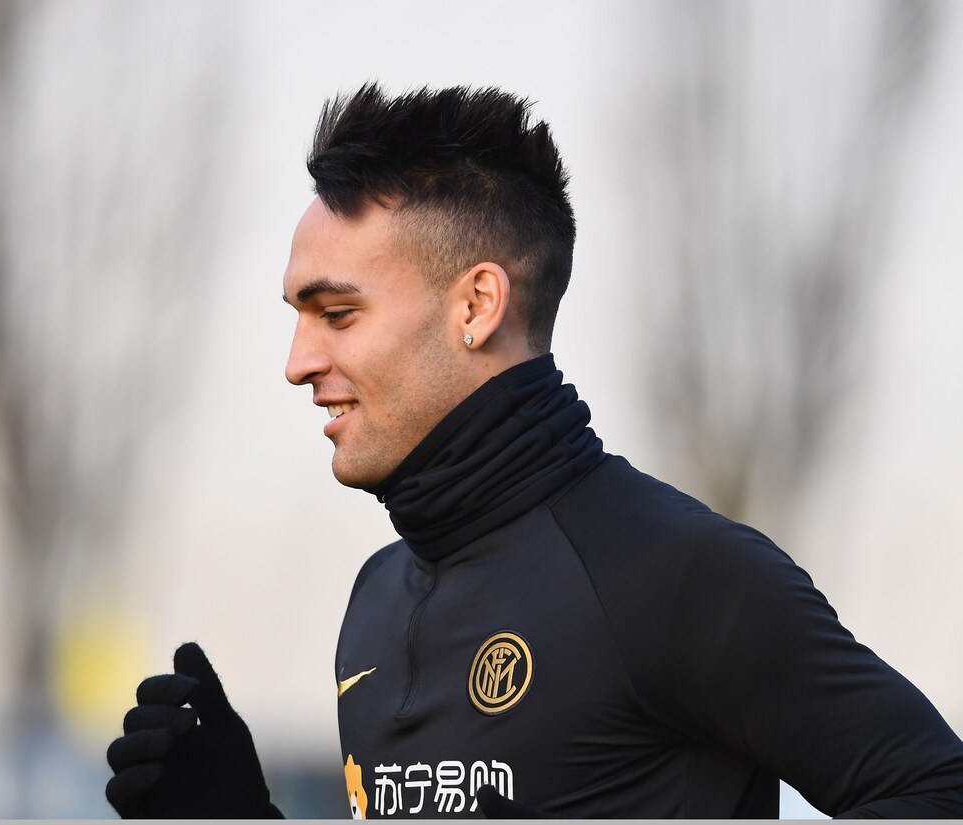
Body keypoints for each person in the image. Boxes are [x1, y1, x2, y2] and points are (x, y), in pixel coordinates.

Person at [105, 83, 963, 819]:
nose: (298, 362)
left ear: (477, 304)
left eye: (336, 314)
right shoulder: (375, 599)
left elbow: (937, 790)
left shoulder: (671, 575)